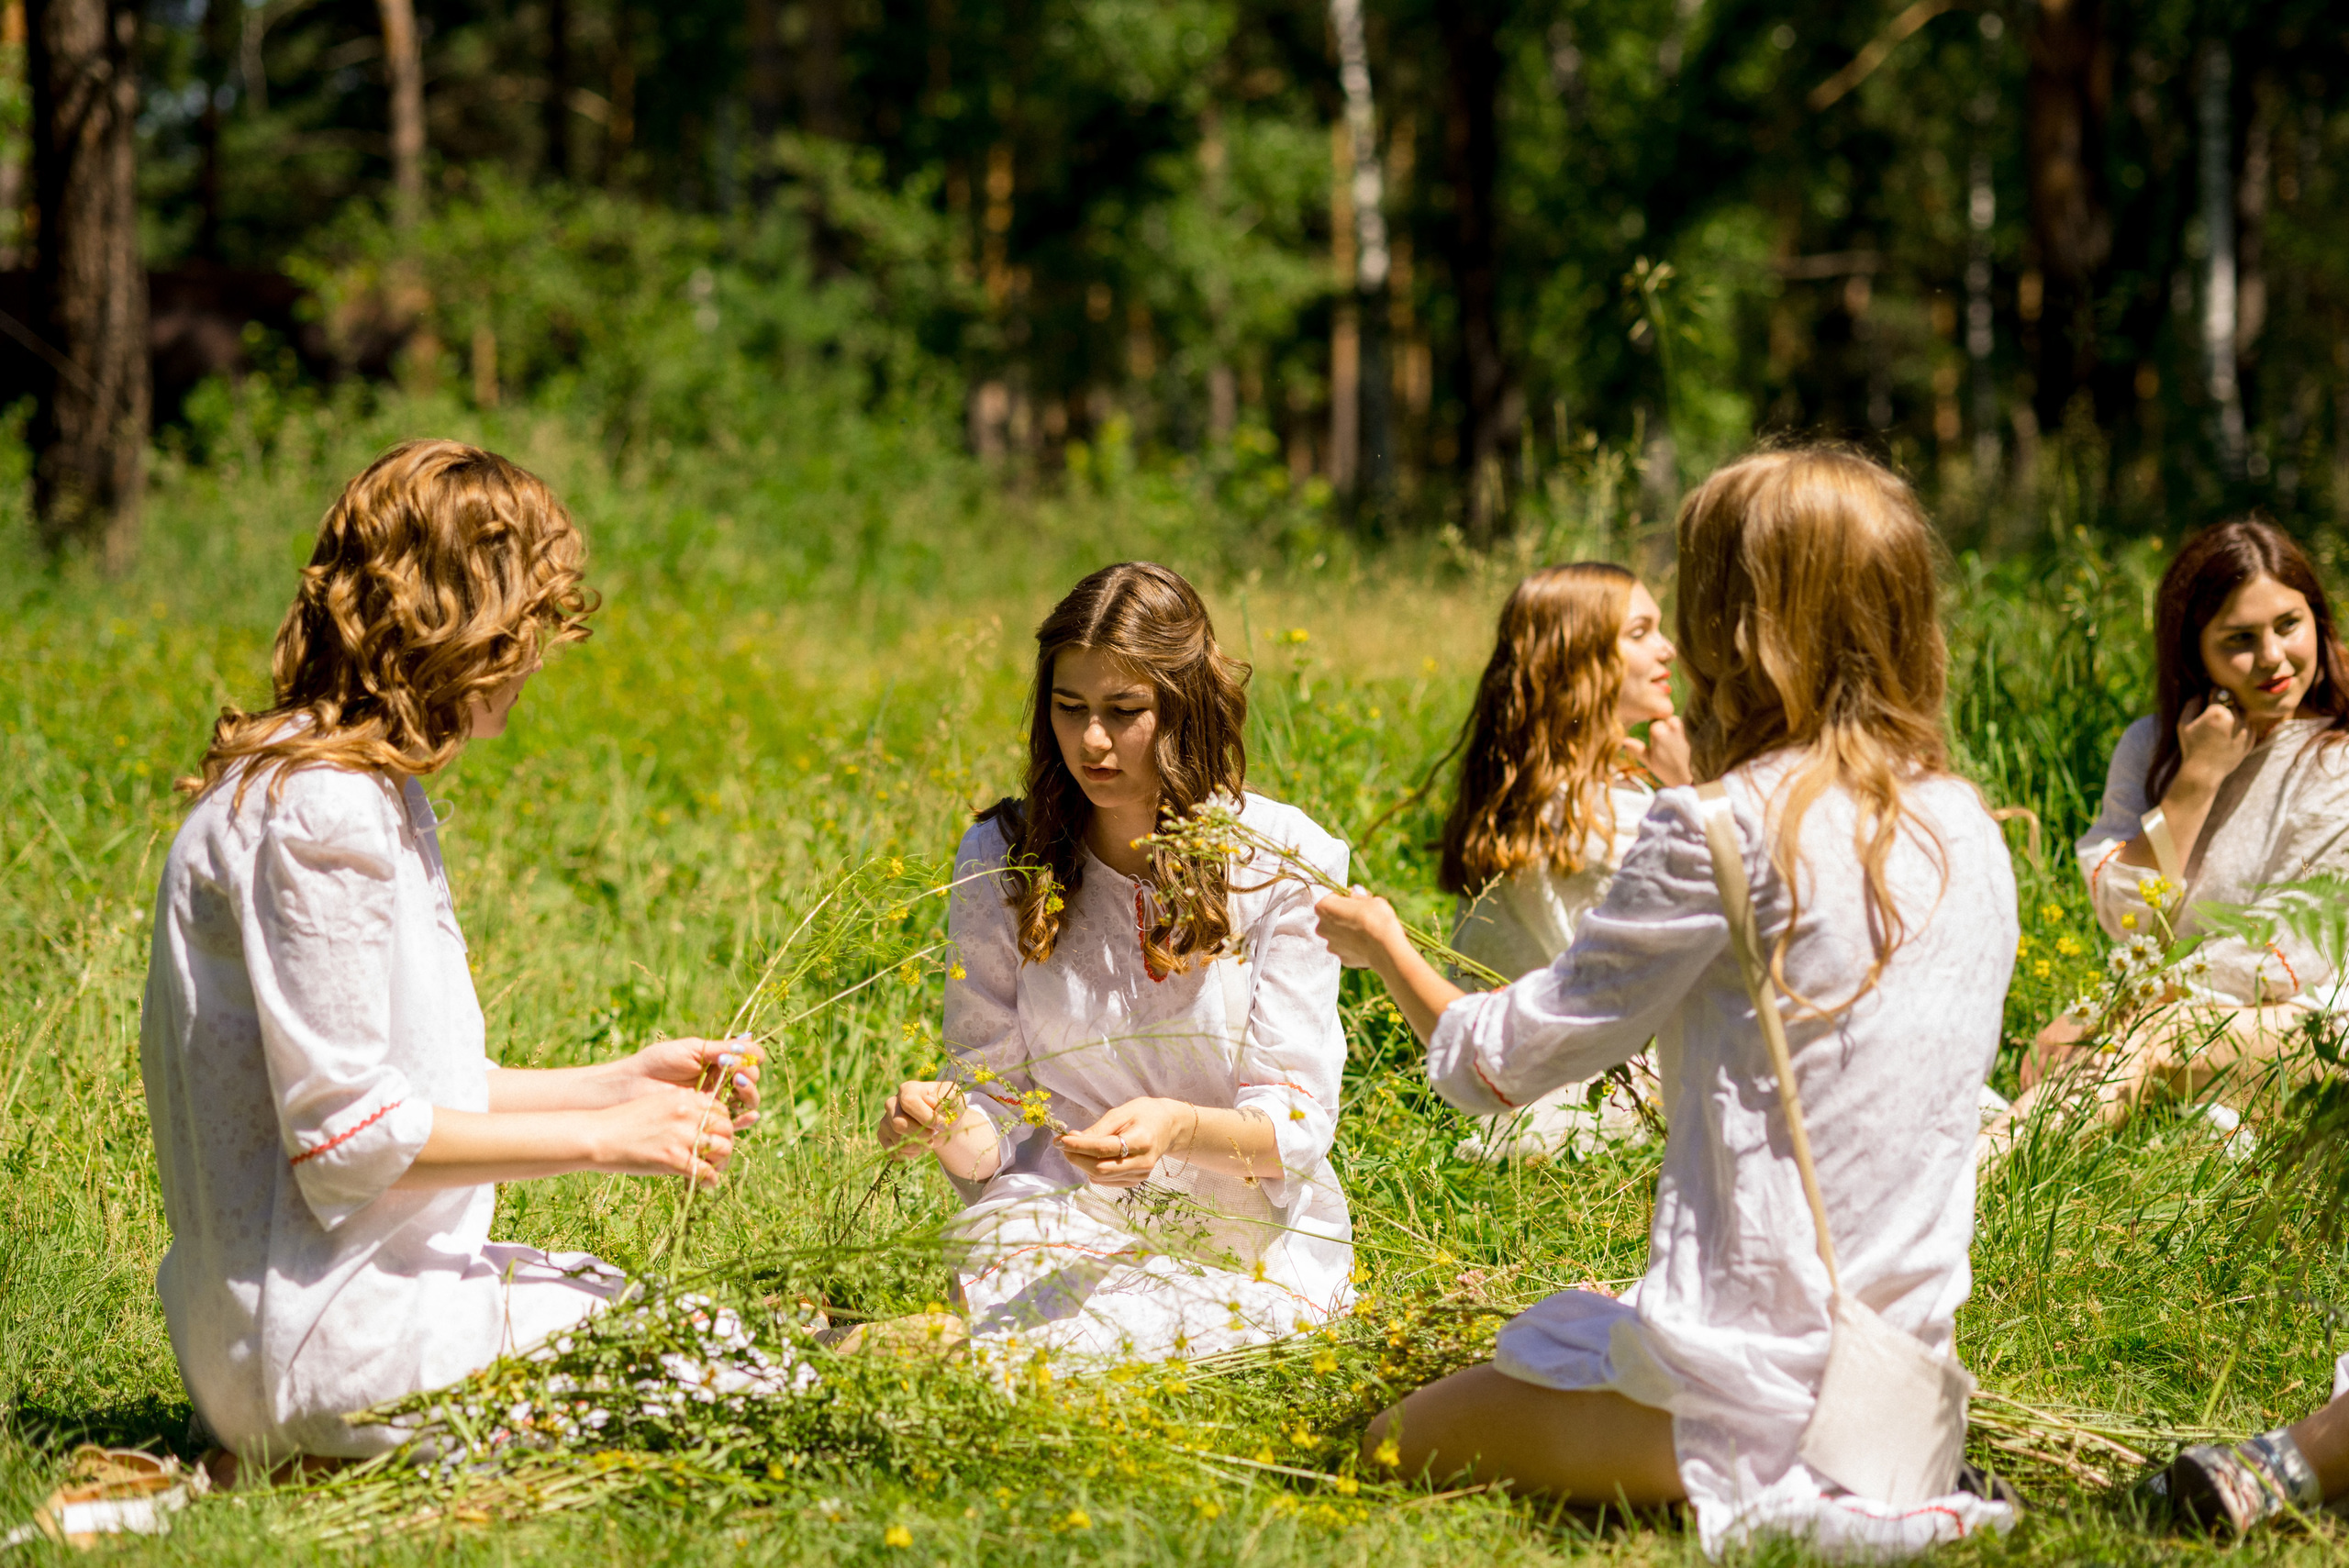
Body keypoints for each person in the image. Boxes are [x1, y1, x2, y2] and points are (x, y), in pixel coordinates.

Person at [1315, 448, 2018, 1557]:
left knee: (1386, 1440)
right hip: (1901, 1394)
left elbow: (1497, 1064)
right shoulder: (1970, 829)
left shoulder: (1717, 826)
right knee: (1576, 1322)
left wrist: (1391, 946)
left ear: (1734, 627)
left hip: (1752, 1405)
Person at [139, 440, 763, 1474]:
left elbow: (400, 1088)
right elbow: (345, 1139)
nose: (535, 657)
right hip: (331, 1342)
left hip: (311, 1316)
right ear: (457, 623)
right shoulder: (322, 813)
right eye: (524, 626)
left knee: (693, 1336)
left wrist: (621, 1077)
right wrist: (609, 1137)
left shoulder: (343, 784)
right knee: (742, 1374)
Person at [874, 562, 1353, 1368]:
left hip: (1239, 1235)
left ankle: (963, 1352)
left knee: (1146, 1330)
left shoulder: (1281, 861)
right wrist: (941, 1123)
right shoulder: (1004, 856)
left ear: (1185, 709)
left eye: (1124, 711)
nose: (1091, 740)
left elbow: (1296, 1125)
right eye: (1070, 708)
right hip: (1063, 1216)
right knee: (1031, 1283)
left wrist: (1176, 1128)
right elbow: (996, 1120)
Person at [2015, 519, 2349, 1136]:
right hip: (2184, 1020)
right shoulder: (2150, 747)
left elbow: (2291, 952)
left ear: (2318, 621)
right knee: (2059, 1062)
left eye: (2288, 625)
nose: (2272, 657)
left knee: (2145, 1041)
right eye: (2239, 639)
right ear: (2193, 648)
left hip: (2318, 1027)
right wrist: (2195, 780)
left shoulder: (2338, 753)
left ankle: (1978, 1182)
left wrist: (2116, 1008)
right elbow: (2128, 918)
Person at [1439, 563, 1687, 1161]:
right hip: (1585, 1091)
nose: (1667, 648)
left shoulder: (1553, 791)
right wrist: (1694, 793)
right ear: (1581, 658)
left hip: (1541, 1069)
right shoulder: (1580, 813)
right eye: (1640, 632)